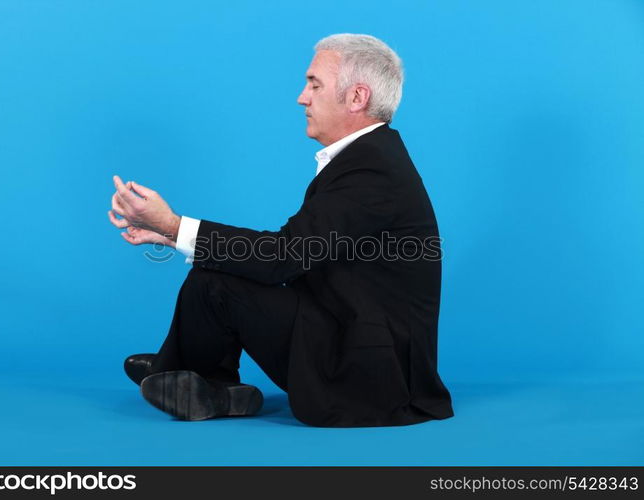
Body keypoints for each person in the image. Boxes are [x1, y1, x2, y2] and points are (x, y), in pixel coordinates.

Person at [107, 33, 453, 427]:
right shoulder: (368, 158)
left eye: (314, 84)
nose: (302, 97)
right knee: (212, 277)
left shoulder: (371, 169)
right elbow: (292, 255)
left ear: (357, 98)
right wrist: (171, 234)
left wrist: (173, 225)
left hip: (369, 383)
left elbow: (283, 258)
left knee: (215, 284)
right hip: (344, 336)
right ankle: (199, 378)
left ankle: (187, 373)